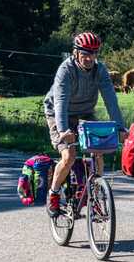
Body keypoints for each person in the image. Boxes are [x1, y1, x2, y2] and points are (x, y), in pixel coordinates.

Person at [43, 32, 127, 217]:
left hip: (85, 113)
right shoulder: (66, 70)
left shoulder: (100, 70)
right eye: (85, 54)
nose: (89, 58)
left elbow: (111, 100)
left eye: (94, 53)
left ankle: (95, 196)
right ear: (75, 53)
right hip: (58, 114)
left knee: (98, 150)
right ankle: (54, 194)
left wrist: (120, 128)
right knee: (69, 156)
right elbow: (61, 102)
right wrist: (64, 130)